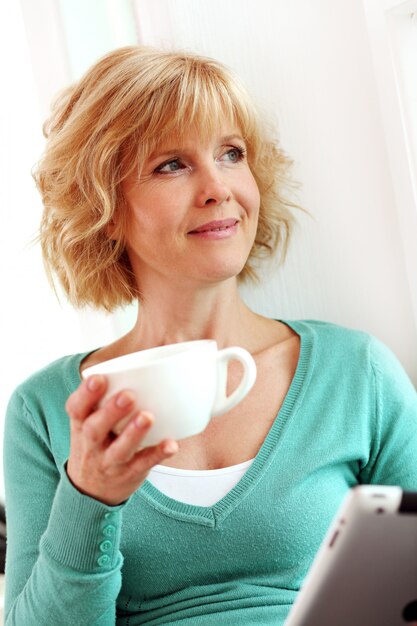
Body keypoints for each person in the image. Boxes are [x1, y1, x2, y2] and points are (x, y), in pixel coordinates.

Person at [3, 45, 417, 626]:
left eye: (231, 153)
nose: (218, 187)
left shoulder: (358, 373)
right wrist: (91, 496)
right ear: (105, 206)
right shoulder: (44, 411)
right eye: (171, 164)